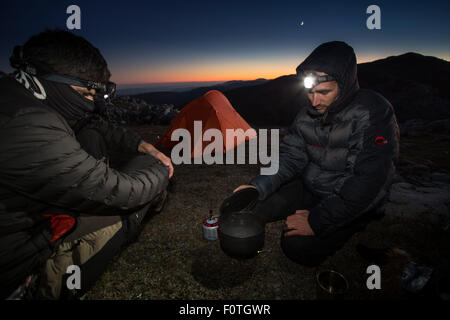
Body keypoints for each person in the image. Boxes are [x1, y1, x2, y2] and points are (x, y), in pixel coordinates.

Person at [0, 29, 173, 299]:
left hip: (24, 228)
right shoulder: (29, 126)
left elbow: (93, 124)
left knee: (92, 135)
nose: (91, 104)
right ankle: (43, 286)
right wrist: (161, 169)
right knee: (124, 212)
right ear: (45, 83)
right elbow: (120, 191)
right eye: (86, 93)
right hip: (15, 276)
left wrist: (141, 144)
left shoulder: (16, 98)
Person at [234, 41, 400, 266]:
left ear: (344, 85)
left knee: (298, 247)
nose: (314, 101)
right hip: (310, 188)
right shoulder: (306, 114)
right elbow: (290, 157)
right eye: (310, 92)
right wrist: (258, 186)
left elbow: (368, 181)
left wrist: (317, 220)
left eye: (324, 92)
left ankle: (353, 228)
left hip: (348, 200)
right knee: (253, 204)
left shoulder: (372, 112)